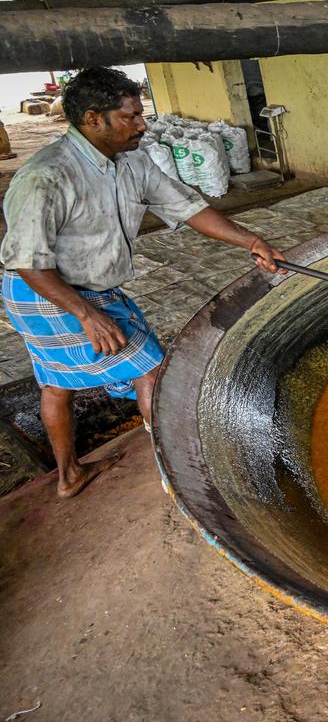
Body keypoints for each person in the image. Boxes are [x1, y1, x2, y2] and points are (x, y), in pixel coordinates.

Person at [0, 67, 286, 498]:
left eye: (141, 113)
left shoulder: (132, 161)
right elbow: (28, 263)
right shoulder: (46, 176)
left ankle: (69, 476)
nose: (142, 124)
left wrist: (251, 240)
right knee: (153, 368)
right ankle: (180, 473)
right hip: (44, 291)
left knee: (56, 382)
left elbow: (188, 208)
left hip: (89, 287)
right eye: (130, 116)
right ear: (93, 119)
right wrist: (88, 315)